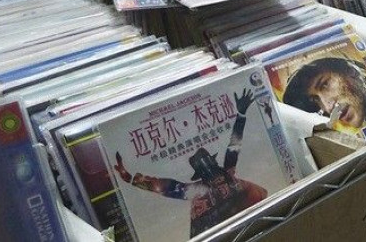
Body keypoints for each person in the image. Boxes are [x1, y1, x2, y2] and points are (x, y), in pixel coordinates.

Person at [113, 89, 267, 238]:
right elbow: (164, 186)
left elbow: (234, 145)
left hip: (251, 224)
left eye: (208, 164)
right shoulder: (201, 188)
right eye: (205, 166)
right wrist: (130, 178)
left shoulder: (222, 176)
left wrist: (241, 115)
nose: (210, 170)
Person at [281, 57, 366, 136]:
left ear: (350, 71)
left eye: (325, 84)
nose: (328, 107)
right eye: (316, 99)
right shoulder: (364, 131)